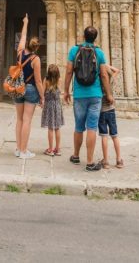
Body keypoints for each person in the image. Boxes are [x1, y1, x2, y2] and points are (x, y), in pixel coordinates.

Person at [63, 25, 112, 172]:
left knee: (79, 127)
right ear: (95, 38)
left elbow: (69, 71)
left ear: (83, 36)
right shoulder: (99, 53)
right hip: (95, 94)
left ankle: (76, 155)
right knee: (92, 127)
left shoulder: (74, 50)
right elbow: (104, 75)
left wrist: (66, 91)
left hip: (79, 95)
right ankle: (90, 162)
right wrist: (109, 94)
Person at [13, 14, 43, 159]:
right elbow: (38, 81)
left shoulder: (20, 52)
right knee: (27, 120)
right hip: (30, 89)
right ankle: (24, 151)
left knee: (19, 119)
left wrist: (25, 22)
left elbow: (23, 37)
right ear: (37, 47)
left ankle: (18, 149)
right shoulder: (35, 59)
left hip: (18, 88)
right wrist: (42, 97)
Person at [99, 65, 123, 169]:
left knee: (104, 136)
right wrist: (106, 65)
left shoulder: (98, 83)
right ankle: (118, 160)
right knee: (115, 135)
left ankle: (106, 161)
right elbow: (117, 70)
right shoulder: (111, 80)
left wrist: (101, 65)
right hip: (111, 110)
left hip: (101, 111)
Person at [41, 64, 64, 156]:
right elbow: (60, 92)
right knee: (57, 128)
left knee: (50, 128)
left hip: (49, 106)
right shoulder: (60, 80)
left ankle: (50, 149)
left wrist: (41, 102)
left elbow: (42, 94)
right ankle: (57, 149)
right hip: (57, 105)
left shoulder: (46, 81)